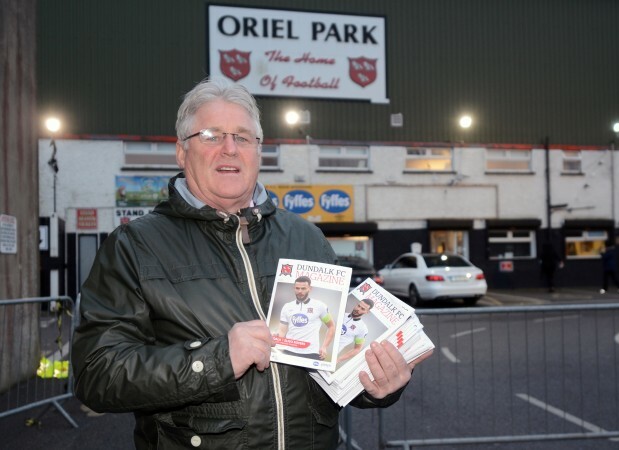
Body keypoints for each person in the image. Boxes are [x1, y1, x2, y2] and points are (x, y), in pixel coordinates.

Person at [71, 78, 432, 449]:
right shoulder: (136, 245)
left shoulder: (306, 237)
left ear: (258, 151)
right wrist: (217, 359)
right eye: (212, 135)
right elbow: (96, 375)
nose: (230, 148)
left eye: (243, 137)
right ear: (182, 152)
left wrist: (376, 385)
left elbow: (332, 360)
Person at [276, 276, 336, 360]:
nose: (300, 291)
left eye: (303, 288)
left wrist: (324, 347)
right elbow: (282, 331)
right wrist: (275, 337)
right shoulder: (287, 306)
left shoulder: (320, 306)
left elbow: (331, 326)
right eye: (297, 288)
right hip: (289, 351)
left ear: (310, 289)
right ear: (294, 288)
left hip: (311, 353)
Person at [337, 298, 374, 364]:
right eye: (358, 306)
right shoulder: (342, 314)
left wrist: (339, 359)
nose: (358, 309)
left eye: (362, 309)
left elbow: (357, 349)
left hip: (331, 354)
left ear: (367, 312)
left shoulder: (362, 328)